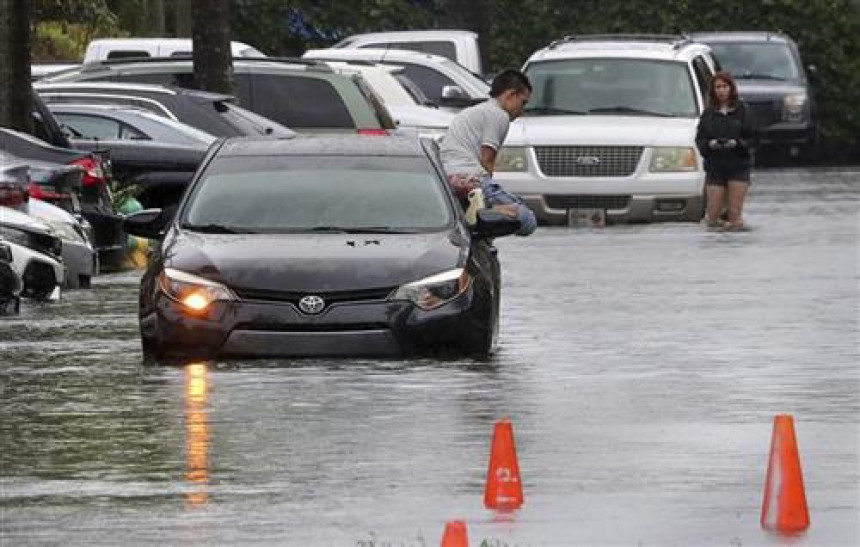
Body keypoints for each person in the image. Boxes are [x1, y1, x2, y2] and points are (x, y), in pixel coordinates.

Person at [439, 68, 537, 236]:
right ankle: (486, 211)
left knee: (514, 202)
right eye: (523, 103)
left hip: (448, 177)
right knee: (528, 221)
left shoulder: (474, 111)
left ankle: (476, 211)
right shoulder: (499, 115)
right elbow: (487, 160)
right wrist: (489, 198)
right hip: (471, 178)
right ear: (511, 95)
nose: (521, 111)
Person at [695, 71, 756, 230]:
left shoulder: (743, 110)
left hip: (738, 166)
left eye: (724, 86)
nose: (721, 90)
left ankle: (735, 239)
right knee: (712, 215)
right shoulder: (708, 114)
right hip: (715, 167)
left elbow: (753, 138)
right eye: (718, 87)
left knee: (734, 214)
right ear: (713, 90)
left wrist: (737, 144)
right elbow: (700, 139)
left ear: (731, 88)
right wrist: (710, 144)